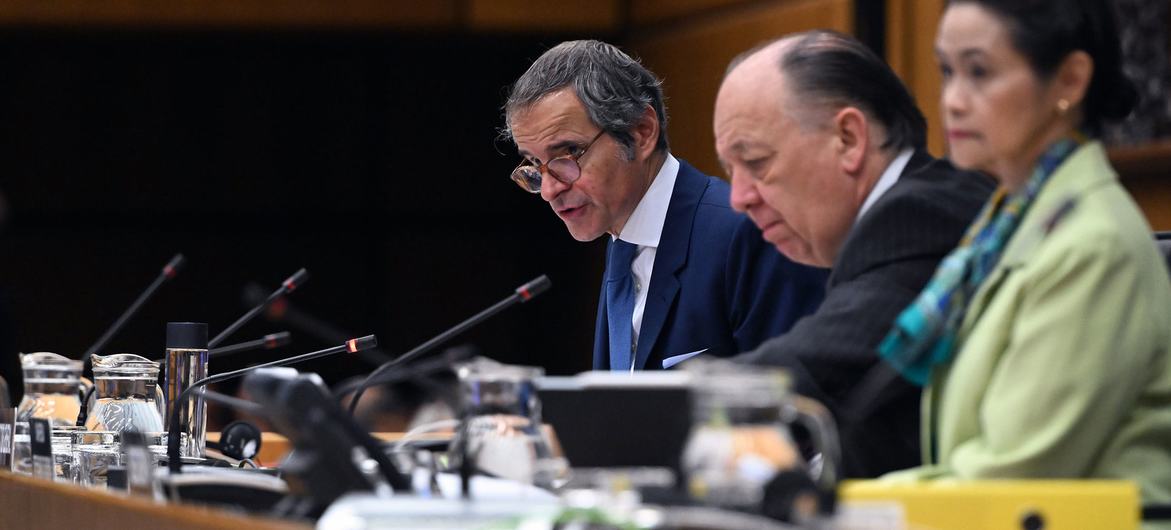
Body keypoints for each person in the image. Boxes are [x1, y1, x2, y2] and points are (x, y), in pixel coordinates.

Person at [880, 0, 1171, 510]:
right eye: (947, 71)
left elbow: (1009, 478)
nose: (952, 100)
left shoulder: (1091, 244)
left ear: (1069, 81)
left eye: (979, 72)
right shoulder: (1005, 225)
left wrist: (834, 506)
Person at [715, 31, 994, 477]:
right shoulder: (901, 214)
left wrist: (632, 415)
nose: (738, 197)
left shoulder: (921, 214)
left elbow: (813, 374)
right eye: (730, 171)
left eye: (756, 162)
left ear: (848, 138)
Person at [503, 40, 827, 372]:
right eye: (534, 165)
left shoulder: (747, 234)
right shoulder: (622, 238)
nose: (550, 190)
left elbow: (792, 398)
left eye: (567, 153)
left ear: (642, 132)